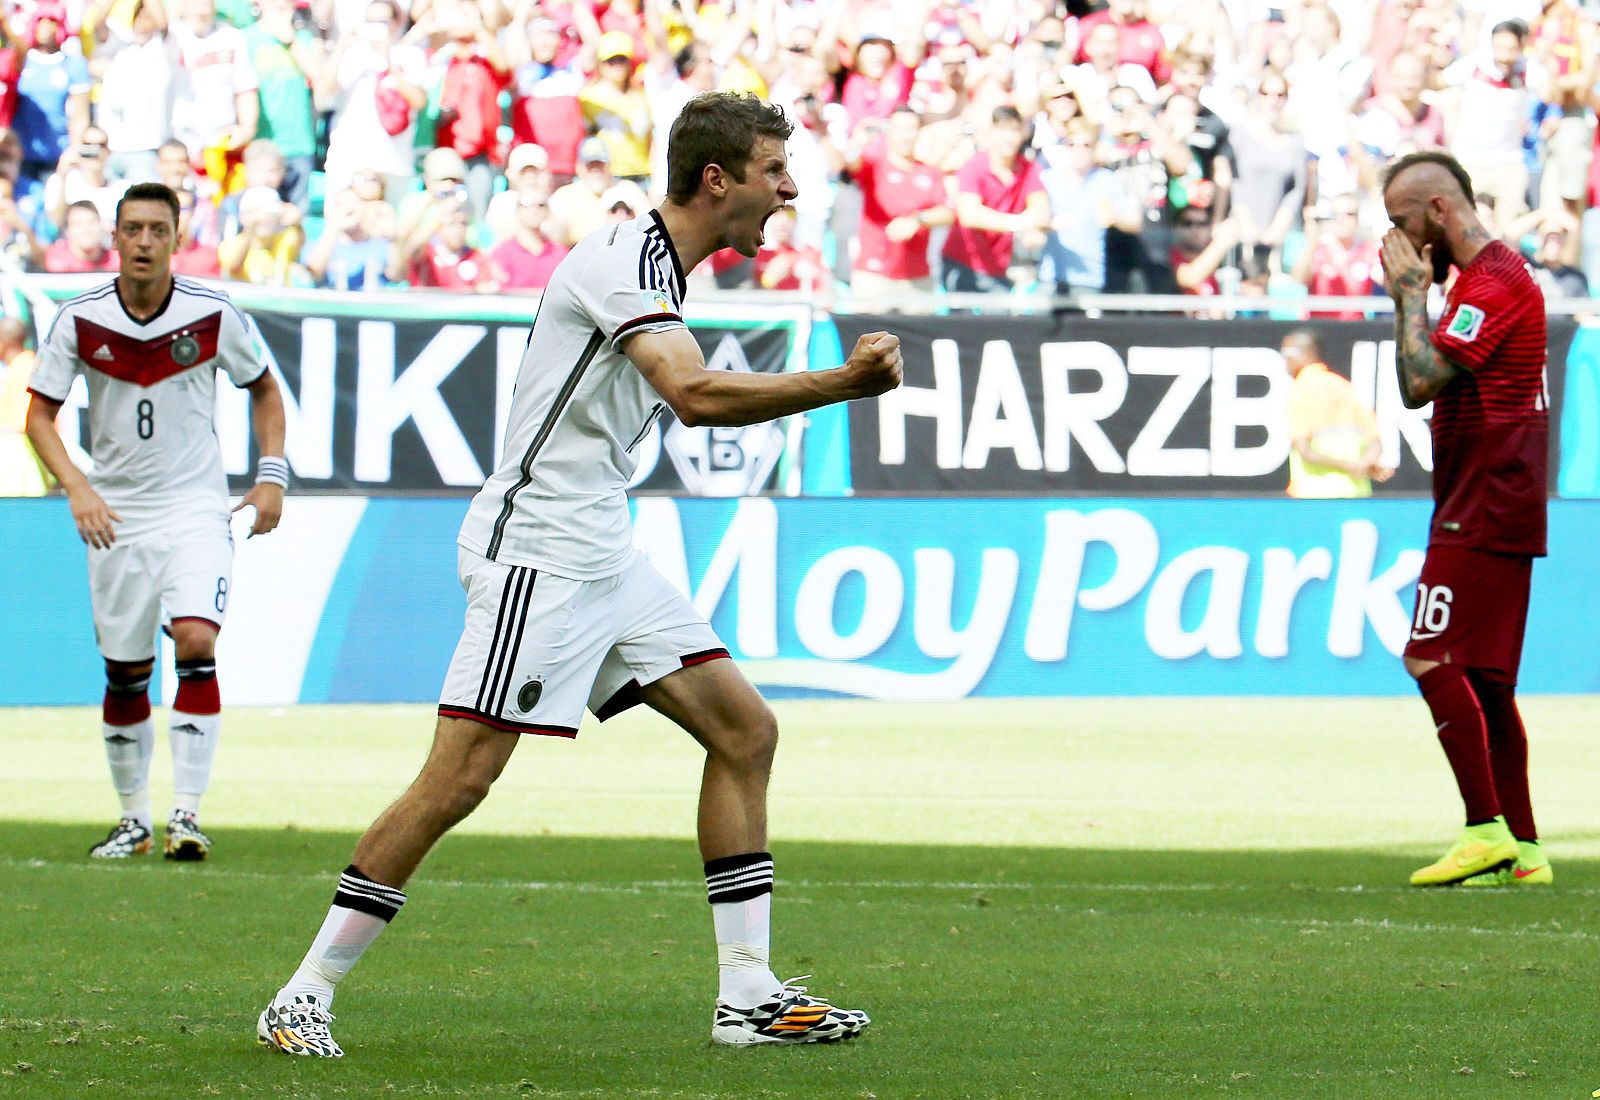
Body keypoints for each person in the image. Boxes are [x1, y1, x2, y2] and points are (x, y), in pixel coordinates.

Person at [256, 91, 898, 1058]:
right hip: (538, 557)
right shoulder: (620, 260)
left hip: (601, 550)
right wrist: (841, 385)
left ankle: (749, 997)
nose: (790, 190)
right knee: (458, 782)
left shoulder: (661, 271)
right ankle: (302, 994)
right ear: (717, 180)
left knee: (745, 730)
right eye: (775, 170)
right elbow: (694, 395)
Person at [23, 181, 287, 863]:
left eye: (157, 231)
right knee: (126, 670)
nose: (144, 242)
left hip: (195, 506)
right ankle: (132, 820)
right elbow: (39, 417)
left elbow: (264, 387)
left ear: (176, 237)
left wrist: (270, 476)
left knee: (196, 641)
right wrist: (76, 488)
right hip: (115, 513)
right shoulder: (80, 320)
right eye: (133, 229)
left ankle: (187, 816)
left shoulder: (213, 314)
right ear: (115, 236)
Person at [1377, 150, 1552, 888]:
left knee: (1428, 656)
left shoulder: (1492, 282)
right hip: (1493, 499)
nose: (1399, 244)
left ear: (1441, 211)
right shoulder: (1491, 281)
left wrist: (1408, 296)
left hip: (1482, 502)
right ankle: (1527, 849)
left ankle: (1484, 829)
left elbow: (1420, 381)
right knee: (1487, 684)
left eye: (1403, 224)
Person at [1280, 330, 1392, 498]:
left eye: (1288, 353)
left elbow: (1305, 450)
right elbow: (1375, 442)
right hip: (1356, 494)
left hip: (1313, 496)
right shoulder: (1345, 387)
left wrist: (1351, 466)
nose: (1284, 359)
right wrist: (1362, 465)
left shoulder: (1301, 390)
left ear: (1308, 354)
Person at [43, 199, 120, 272]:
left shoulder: (116, 260)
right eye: (79, 223)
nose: (86, 229)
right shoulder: (58, 260)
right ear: (67, 230)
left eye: (92, 222)